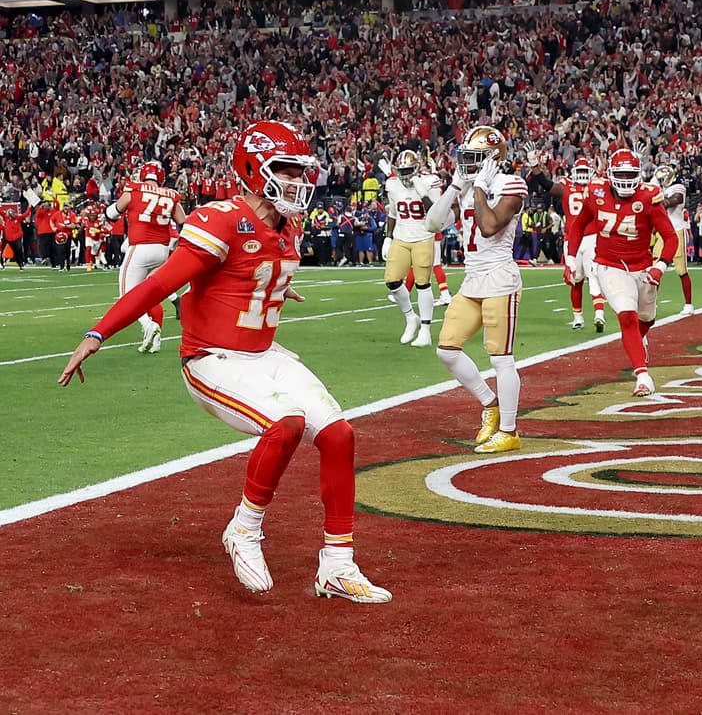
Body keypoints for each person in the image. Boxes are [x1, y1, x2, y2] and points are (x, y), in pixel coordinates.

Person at [58, 121, 391, 603]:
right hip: (211, 357)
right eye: (288, 170)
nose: (299, 182)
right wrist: (97, 333)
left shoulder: (286, 222)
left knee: (339, 435)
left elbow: (250, 271)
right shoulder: (221, 219)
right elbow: (159, 285)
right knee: (286, 424)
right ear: (255, 170)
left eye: (302, 171)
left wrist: (271, 284)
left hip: (263, 354)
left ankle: (337, 565)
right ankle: (244, 529)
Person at [426, 125, 527, 453]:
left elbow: (488, 227)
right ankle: (489, 403)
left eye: (475, 157)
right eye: (466, 156)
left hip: (499, 278)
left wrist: (480, 187)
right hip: (472, 280)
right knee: (446, 350)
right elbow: (433, 223)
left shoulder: (511, 184)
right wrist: (456, 186)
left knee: (501, 358)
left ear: (493, 159)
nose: (467, 163)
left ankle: (509, 431)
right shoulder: (468, 185)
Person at [565, 149, 678, 397]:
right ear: (610, 174)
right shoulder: (596, 192)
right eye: (621, 173)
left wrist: (660, 266)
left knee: (646, 318)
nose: (626, 179)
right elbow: (578, 225)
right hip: (609, 264)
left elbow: (670, 237)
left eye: (630, 174)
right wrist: (571, 260)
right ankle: (642, 375)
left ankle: (640, 340)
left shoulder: (649, 197)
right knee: (627, 316)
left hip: (643, 266)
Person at [106, 162, 187, 353]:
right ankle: (155, 342)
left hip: (140, 247)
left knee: (126, 296)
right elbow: (183, 222)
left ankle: (148, 326)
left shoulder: (134, 190)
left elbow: (112, 213)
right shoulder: (171, 195)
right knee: (151, 296)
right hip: (162, 250)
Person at [380, 149, 442, 348]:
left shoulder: (429, 181)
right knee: (392, 280)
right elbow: (393, 213)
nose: (405, 175)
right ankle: (410, 317)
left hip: (423, 236)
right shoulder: (392, 184)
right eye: (402, 170)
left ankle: (425, 329)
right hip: (401, 236)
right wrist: (388, 237)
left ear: (416, 168)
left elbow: (436, 213)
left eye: (408, 170)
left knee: (423, 283)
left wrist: (421, 191)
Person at [556, 157, 606, 332]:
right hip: (573, 239)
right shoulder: (568, 185)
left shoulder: (595, 186)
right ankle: (578, 317)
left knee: (594, 276)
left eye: (586, 171)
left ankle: (599, 314)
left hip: (591, 237)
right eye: (581, 171)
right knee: (576, 280)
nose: (584, 175)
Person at [654, 164, 695, 315]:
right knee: (655, 267)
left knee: (681, 270)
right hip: (664, 232)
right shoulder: (661, 190)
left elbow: (673, 201)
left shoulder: (678, 187)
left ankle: (689, 304)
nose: (662, 180)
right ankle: (651, 302)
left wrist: (657, 199)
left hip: (677, 231)